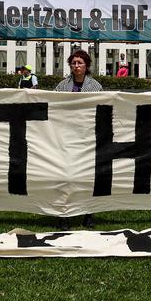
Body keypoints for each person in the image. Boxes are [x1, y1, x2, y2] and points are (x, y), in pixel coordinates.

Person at [54, 49, 100, 229]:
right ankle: (63, 215)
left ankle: (88, 213)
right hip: (66, 137)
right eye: (73, 63)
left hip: (87, 137)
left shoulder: (95, 86)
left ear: (86, 65)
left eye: (80, 63)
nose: (76, 66)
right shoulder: (62, 86)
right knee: (64, 178)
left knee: (87, 178)